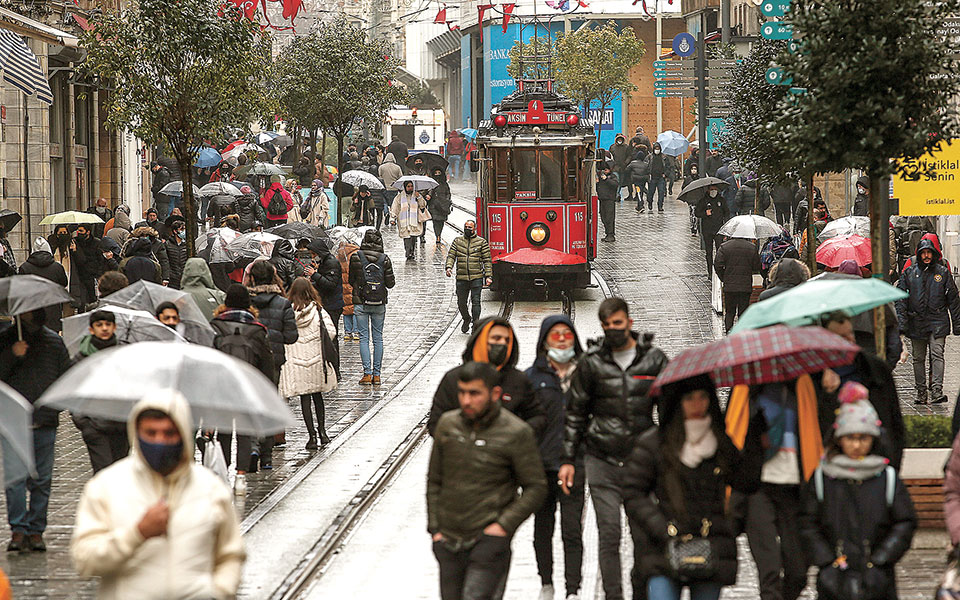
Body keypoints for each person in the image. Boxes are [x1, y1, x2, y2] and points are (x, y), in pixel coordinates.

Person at [70, 390, 245, 598]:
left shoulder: (210, 489)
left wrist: (219, 591)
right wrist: (137, 534)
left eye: (169, 433)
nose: (160, 441)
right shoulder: (106, 486)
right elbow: (84, 560)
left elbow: (230, 555)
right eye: (151, 433)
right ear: (137, 432)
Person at [558, 297, 669, 600]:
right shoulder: (591, 363)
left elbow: (671, 412)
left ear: (629, 323)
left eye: (617, 324)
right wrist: (568, 459)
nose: (613, 331)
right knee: (608, 534)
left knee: (643, 535)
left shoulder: (654, 360)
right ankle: (613, 595)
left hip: (642, 463)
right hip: (601, 458)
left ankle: (639, 591)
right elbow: (576, 413)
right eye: (607, 326)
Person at [623, 375, 765, 600]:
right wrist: (662, 527)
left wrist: (755, 437)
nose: (698, 405)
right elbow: (633, 493)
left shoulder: (719, 442)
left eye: (703, 397)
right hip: (664, 548)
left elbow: (745, 481)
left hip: (710, 544)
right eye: (690, 398)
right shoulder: (655, 444)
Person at [427, 361, 548, 600]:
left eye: (474, 393)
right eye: (462, 392)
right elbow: (435, 480)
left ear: (495, 394)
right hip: (449, 541)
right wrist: (435, 529)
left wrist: (503, 526)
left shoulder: (515, 432)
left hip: (487, 540)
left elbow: (536, 486)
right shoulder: (448, 425)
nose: (466, 401)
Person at [799, 382, 916, 600]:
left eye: (863, 438)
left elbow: (905, 521)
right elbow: (808, 522)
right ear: (839, 438)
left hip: (879, 579)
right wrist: (826, 562)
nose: (856, 445)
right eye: (850, 437)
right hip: (834, 579)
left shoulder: (886, 477)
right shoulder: (823, 478)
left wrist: (881, 560)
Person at [526, 316, 587, 600]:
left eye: (567, 334)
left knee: (572, 530)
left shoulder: (587, 374)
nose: (562, 339)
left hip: (576, 463)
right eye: (556, 335)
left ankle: (573, 589)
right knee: (543, 527)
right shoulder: (531, 378)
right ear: (544, 341)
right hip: (542, 465)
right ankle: (547, 582)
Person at [0, 308, 70, 552]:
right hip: (13, 422)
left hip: (44, 421)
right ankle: (18, 529)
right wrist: (12, 354)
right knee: (15, 480)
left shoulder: (53, 342)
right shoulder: (6, 339)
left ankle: (36, 529)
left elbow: (65, 377)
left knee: (42, 480)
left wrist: (53, 408)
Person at [815, 311, 906, 470]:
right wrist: (828, 393)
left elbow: (895, 422)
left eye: (850, 333)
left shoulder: (876, 370)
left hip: (876, 464)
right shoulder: (816, 375)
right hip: (830, 467)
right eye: (841, 336)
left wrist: (892, 465)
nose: (848, 340)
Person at [428, 316, 545, 437]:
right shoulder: (454, 378)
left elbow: (537, 416)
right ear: (480, 341)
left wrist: (518, 436)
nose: (502, 344)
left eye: (507, 340)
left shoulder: (518, 379)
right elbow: (436, 423)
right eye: (496, 338)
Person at [210, 284, 274, 493]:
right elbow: (266, 364)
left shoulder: (217, 326)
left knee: (225, 434)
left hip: (222, 388)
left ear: (226, 302)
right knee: (245, 433)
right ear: (248, 303)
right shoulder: (256, 329)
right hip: (247, 387)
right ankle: (240, 477)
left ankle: (224, 474)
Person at [895, 237, 960, 404]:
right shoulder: (910, 273)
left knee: (937, 354)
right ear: (919, 254)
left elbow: (953, 298)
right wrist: (902, 324)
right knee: (918, 358)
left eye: (928, 252)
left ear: (934, 254)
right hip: (917, 322)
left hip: (938, 320)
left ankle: (937, 389)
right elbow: (900, 299)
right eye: (923, 253)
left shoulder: (942, 273)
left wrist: (957, 324)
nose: (926, 256)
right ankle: (921, 391)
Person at [248, 260, 298, 469]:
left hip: (249, 359)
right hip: (273, 361)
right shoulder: (282, 303)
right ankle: (266, 457)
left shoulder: (247, 302)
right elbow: (291, 336)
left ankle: (252, 446)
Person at [280, 278, 339, 449]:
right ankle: (323, 432)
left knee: (305, 398)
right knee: (317, 396)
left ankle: (311, 436)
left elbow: (286, 336)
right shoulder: (318, 310)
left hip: (297, 362)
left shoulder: (289, 312)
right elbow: (332, 331)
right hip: (316, 361)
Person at [71, 310, 130, 473]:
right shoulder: (81, 358)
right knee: (103, 472)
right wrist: (83, 422)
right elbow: (74, 391)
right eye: (99, 325)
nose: (104, 328)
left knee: (120, 472)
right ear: (91, 329)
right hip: (95, 425)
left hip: (121, 424)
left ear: (114, 327)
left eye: (108, 324)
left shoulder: (125, 354)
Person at [348, 229, 396, 385]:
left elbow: (350, 280)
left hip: (361, 302)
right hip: (379, 303)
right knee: (378, 339)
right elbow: (390, 284)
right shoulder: (385, 259)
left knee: (363, 338)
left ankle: (367, 374)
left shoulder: (356, 257)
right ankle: (377, 375)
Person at [445, 220, 493, 333]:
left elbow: (487, 260)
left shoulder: (481, 242)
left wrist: (488, 276)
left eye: (470, 227)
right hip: (461, 278)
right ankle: (466, 318)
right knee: (461, 303)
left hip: (476, 277)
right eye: (466, 227)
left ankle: (476, 324)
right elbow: (451, 255)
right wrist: (448, 267)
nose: (467, 229)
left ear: (474, 229)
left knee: (475, 301)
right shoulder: (457, 241)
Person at [18, 238, 68, 332]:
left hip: (33, 309)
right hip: (53, 307)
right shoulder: (57, 267)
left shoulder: (25, 267)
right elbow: (64, 283)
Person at [714, 236, 762, 333]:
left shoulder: (724, 247)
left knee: (730, 311)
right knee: (743, 311)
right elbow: (757, 266)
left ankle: (728, 330)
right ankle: (742, 330)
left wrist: (724, 278)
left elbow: (717, 265)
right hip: (745, 285)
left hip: (730, 285)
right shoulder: (751, 247)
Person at [305, 238, 344, 339]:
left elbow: (330, 285)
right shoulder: (324, 262)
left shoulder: (331, 262)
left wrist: (314, 275)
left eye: (314, 254)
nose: (313, 257)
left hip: (332, 304)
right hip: (327, 302)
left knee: (331, 335)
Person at [695, 184, 730, 278]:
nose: (713, 191)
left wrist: (726, 225)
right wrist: (705, 213)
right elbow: (697, 213)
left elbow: (727, 212)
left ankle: (720, 270)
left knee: (720, 250)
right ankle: (710, 271)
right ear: (708, 190)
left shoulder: (721, 200)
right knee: (708, 251)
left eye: (715, 189)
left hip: (719, 229)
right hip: (707, 230)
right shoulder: (703, 201)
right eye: (711, 189)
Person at [390, 180, 427, 260]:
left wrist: (419, 197)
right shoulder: (399, 197)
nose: (410, 188)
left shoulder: (416, 195)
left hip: (414, 220)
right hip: (404, 220)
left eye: (411, 186)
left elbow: (423, 205)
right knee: (406, 237)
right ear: (405, 187)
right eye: (408, 186)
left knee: (413, 237)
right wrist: (393, 218)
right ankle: (408, 252)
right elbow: (395, 207)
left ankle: (412, 251)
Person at [71, 224, 103, 307]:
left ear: (88, 232)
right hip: (80, 274)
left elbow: (100, 260)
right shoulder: (75, 242)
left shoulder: (96, 243)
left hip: (91, 275)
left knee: (92, 299)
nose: (79, 233)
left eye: (81, 231)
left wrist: (98, 274)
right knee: (81, 300)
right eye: (78, 231)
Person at [337, 237, 360, 342]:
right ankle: (356, 331)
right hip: (353, 285)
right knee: (354, 309)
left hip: (343, 286)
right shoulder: (355, 254)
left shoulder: (339, 256)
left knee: (346, 309)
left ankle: (347, 332)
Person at [427, 167, 452, 243]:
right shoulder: (431, 184)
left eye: (439, 173)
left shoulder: (444, 184)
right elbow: (428, 192)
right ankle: (437, 235)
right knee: (435, 221)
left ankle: (439, 234)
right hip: (434, 205)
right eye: (436, 173)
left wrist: (446, 200)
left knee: (441, 221)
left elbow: (448, 193)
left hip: (443, 205)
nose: (437, 175)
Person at [162, 217, 188, 289]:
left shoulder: (188, 245)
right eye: (182, 229)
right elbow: (165, 261)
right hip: (173, 279)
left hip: (185, 278)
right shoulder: (167, 245)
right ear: (175, 231)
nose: (184, 231)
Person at [597, 163, 619, 242]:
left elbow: (615, 184)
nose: (604, 172)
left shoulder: (612, 177)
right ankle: (607, 233)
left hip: (609, 199)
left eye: (606, 170)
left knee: (609, 217)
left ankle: (611, 234)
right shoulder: (600, 177)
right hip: (602, 199)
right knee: (603, 217)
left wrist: (606, 179)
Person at [379, 153, 404, 221]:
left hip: (384, 188)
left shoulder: (381, 167)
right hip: (394, 188)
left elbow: (379, 176)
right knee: (394, 203)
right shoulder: (397, 167)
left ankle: (386, 212)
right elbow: (401, 178)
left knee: (385, 202)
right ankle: (393, 217)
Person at [646, 142, 667, 212]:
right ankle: (650, 203)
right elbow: (646, 165)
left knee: (661, 192)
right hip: (652, 177)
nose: (657, 150)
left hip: (661, 177)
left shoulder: (664, 157)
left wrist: (665, 174)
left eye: (658, 148)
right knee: (651, 192)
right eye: (656, 148)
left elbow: (668, 166)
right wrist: (648, 174)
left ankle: (660, 205)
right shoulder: (650, 157)